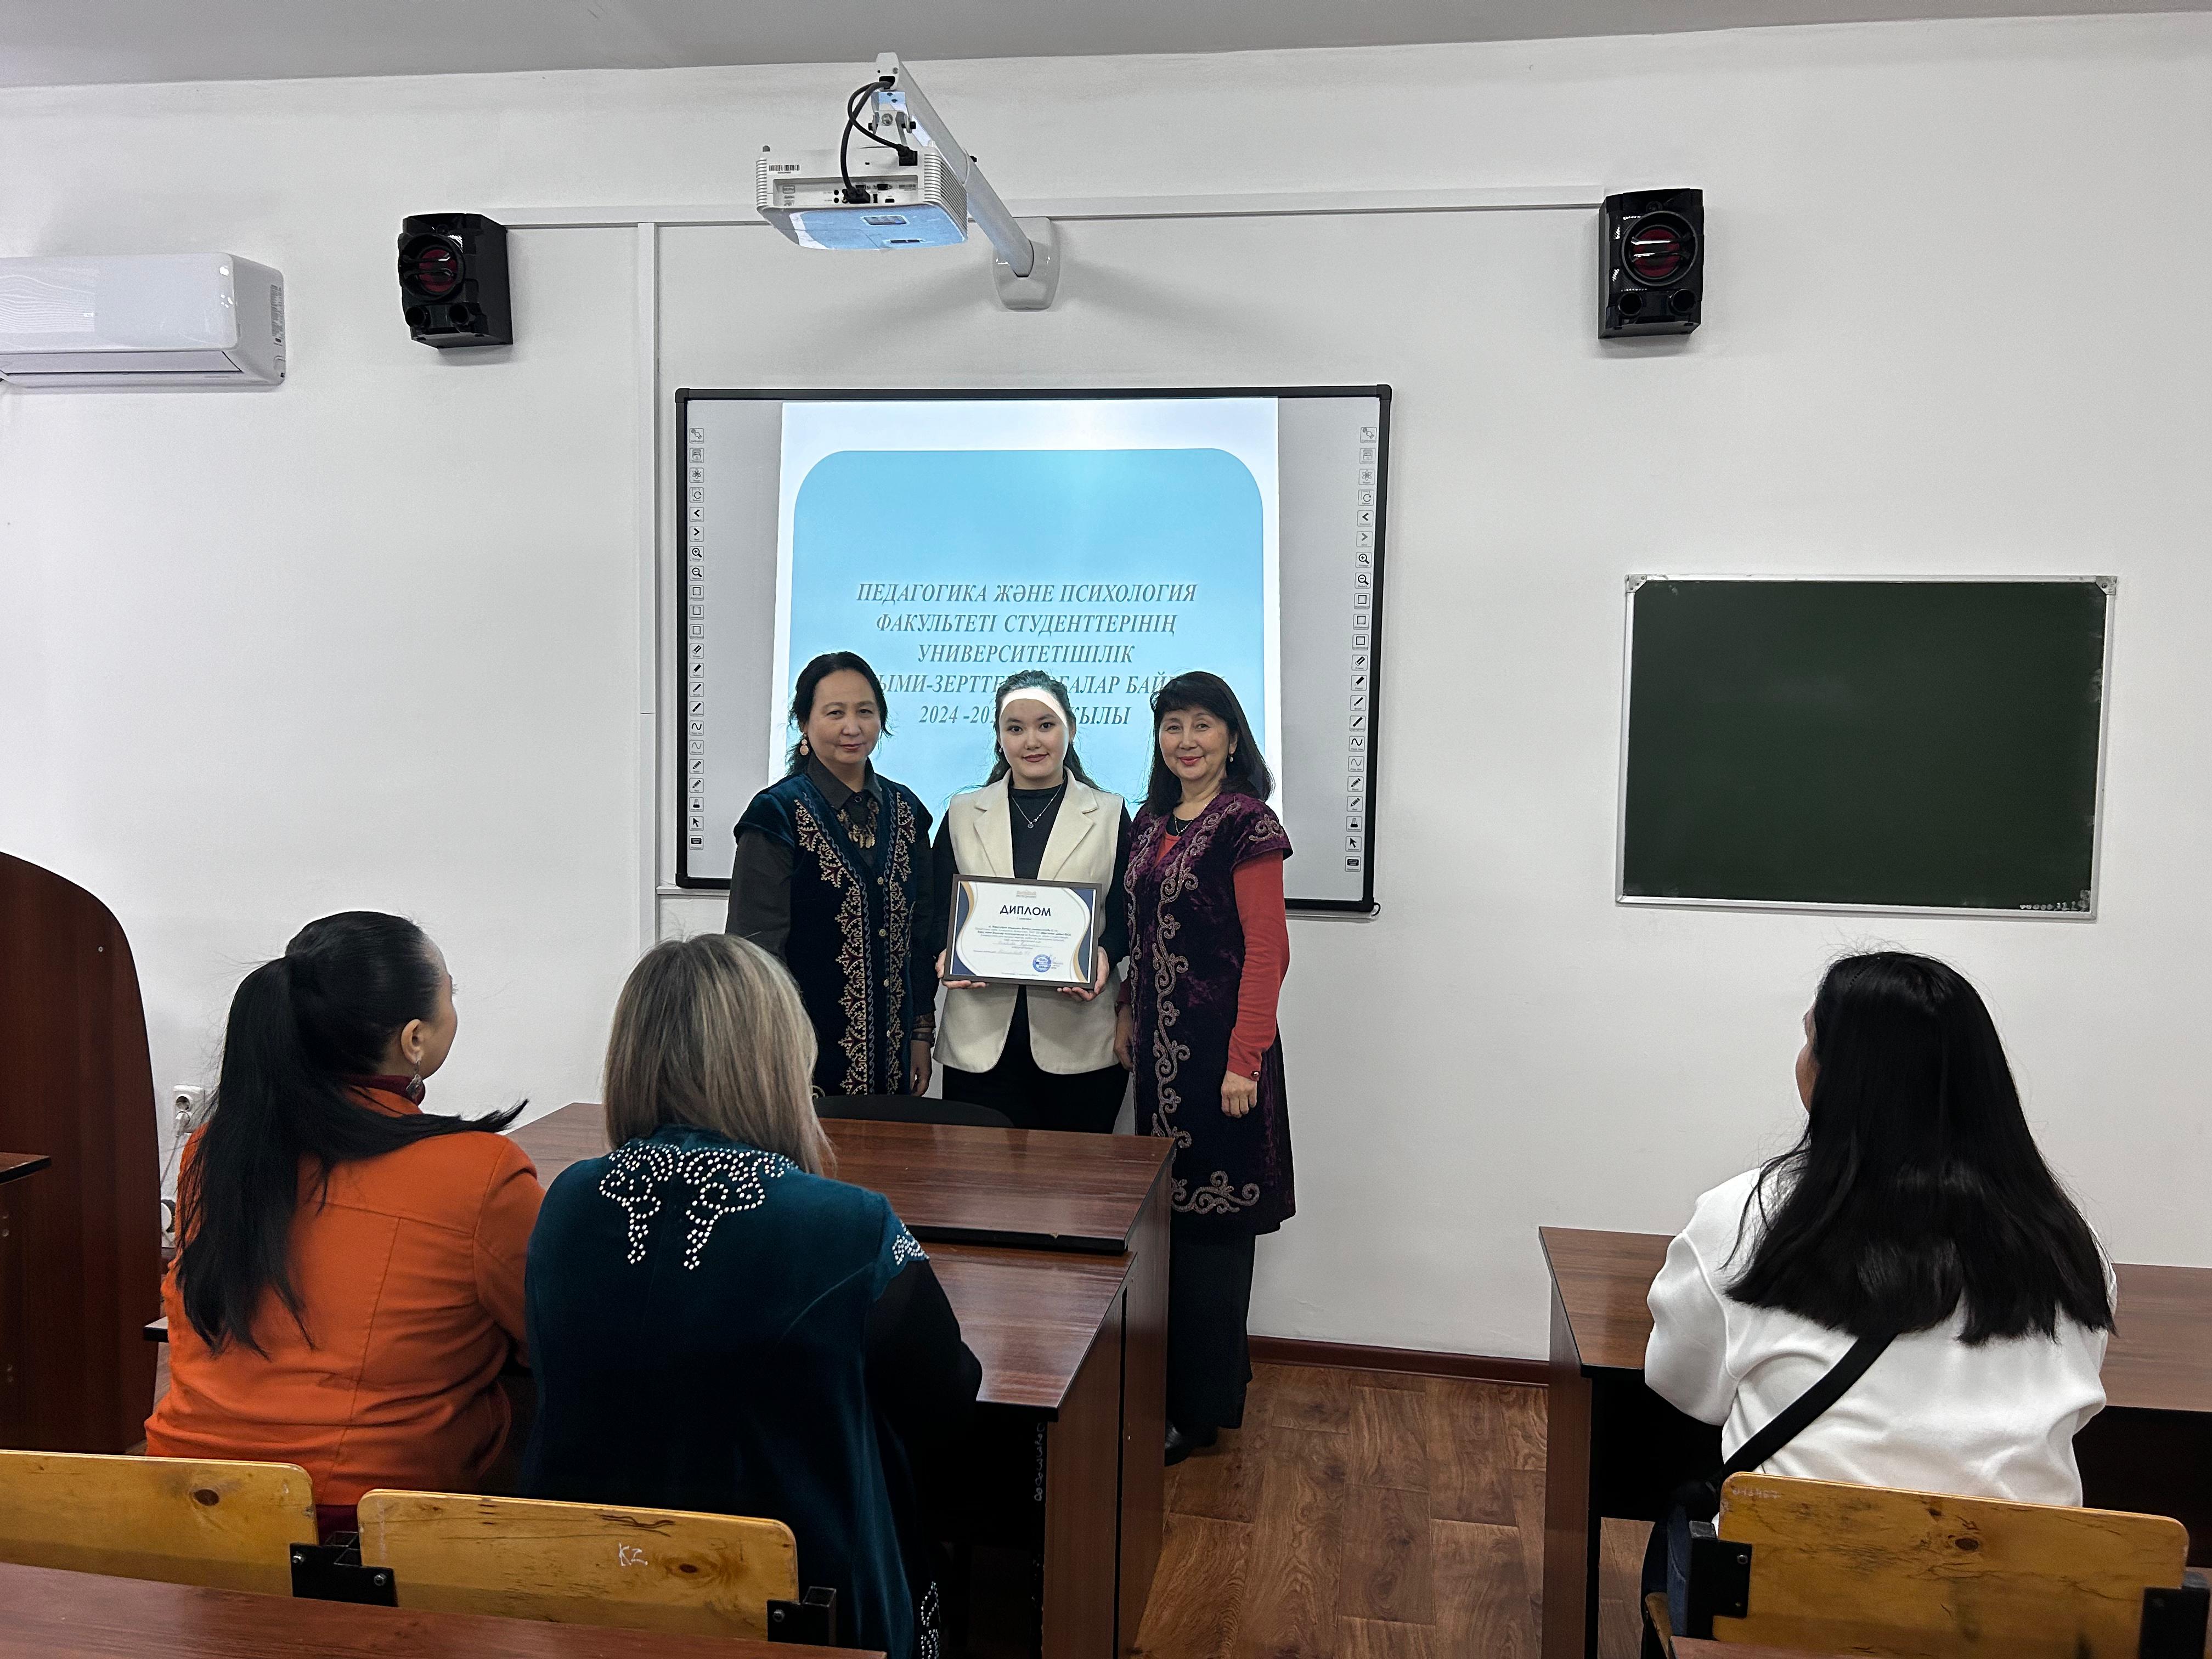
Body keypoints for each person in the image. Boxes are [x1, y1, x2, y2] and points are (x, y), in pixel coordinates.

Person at [522, 933, 980, 1659]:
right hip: (801, 1607)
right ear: (780, 1060)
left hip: (590, 1601)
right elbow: (949, 1391)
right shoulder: (849, 1225)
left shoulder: (568, 1202)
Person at [1645, 951, 2115, 1503]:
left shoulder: (1745, 1216)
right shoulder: (2068, 1244)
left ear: (1836, 1079)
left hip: (1794, 1557)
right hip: (2028, 1559)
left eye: (1810, 1040)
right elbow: (2071, 1411)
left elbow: (1680, 1382)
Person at [146, 912, 540, 1536]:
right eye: (451, 993)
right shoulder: (482, 1172)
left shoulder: (214, 1151)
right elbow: (551, 1333)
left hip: (184, 1495)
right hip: (361, 1521)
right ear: (415, 1040)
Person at [1118, 671, 1295, 1464]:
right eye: (1172, 726)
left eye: (1202, 725)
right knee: (1173, 1235)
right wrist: (1126, 1010)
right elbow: (1139, 935)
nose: (1186, 741)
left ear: (1231, 737)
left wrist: (1244, 1060)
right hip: (1159, 1069)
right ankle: (1195, 1384)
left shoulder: (1247, 825)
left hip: (1224, 1069)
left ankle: (1200, 1411)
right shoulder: (1151, 823)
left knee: (1214, 1239)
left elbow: (1268, 951)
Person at [930, 670, 1133, 1132]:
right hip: (980, 1042)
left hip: (1080, 1040)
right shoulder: (962, 812)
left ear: (1070, 729)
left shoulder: (1110, 813)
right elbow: (936, 910)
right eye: (1015, 728)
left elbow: (1127, 914)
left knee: (1076, 1177)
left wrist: (1106, 953)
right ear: (999, 737)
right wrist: (945, 952)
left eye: (1046, 725)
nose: (1031, 741)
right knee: (978, 1178)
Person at [727, 651, 936, 1098]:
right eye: (835, 713)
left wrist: (921, 1033)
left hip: (893, 1063)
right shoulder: (775, 815)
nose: (852, 728)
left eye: (865, 712)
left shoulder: (907, 811)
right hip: (800, 1062)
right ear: (804, 722)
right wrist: (774, 1055)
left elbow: (920, 936)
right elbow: (755, 950)